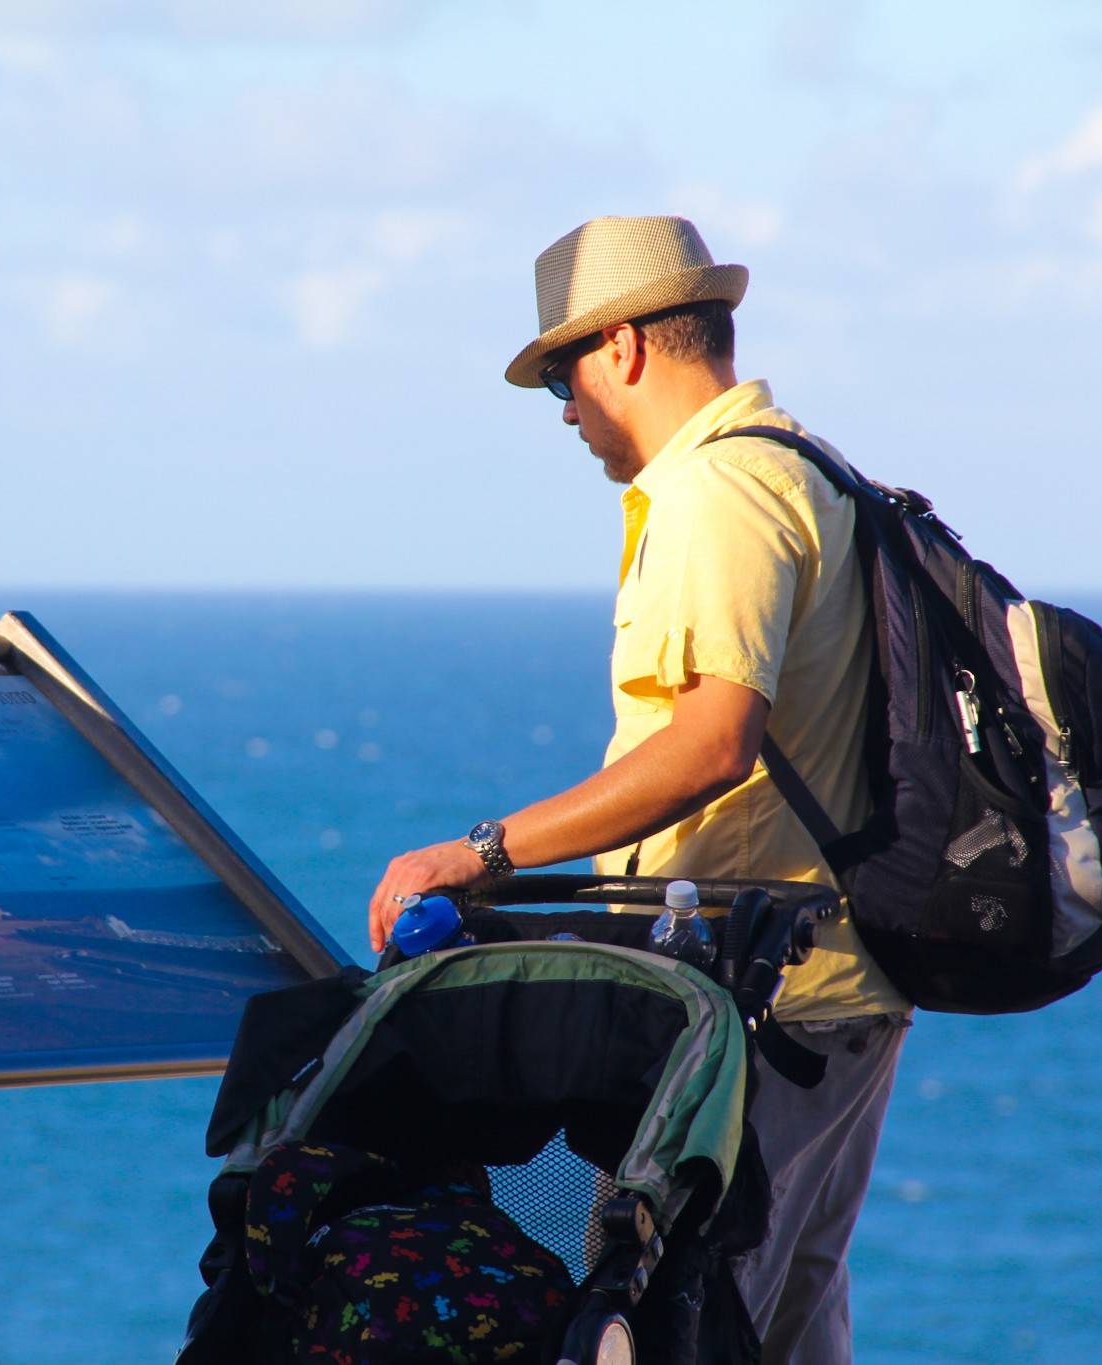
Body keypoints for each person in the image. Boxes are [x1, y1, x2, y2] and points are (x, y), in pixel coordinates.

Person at [365, 215, 910, 1365]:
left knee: (683, 1325)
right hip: (831, 988)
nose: (565, 411)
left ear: (618, 348)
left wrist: (479, 853)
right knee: (784, 1321)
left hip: (759, 1011)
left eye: (558, 377)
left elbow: (710, 745)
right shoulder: (804, 466)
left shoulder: (717, 493)